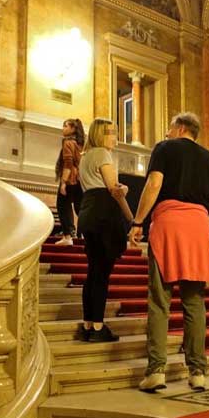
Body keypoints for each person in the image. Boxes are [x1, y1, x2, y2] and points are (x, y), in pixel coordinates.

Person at [129, 113, 209, 393]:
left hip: (169, 223)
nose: (168, 131)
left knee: (160, 301)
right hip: (198, 228)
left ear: (180, 128)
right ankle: (198, 372)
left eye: (170, 127)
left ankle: (156, 371)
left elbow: (154, 184)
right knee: (194, 303)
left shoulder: (164, 148)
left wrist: (138, 222)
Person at [76, 118, 133, 343]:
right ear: (100, 135)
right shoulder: (101, 154)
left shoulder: (85, 157)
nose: (115, 137)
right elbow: (113, 189)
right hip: (103, 213)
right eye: (111, 133)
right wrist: (126, 194)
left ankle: (88, 324)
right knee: (101, 273)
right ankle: (99, 327)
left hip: (88, 211)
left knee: (93, 272)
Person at [54, 119, 85, 246]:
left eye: (65, 126)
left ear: (73, 128)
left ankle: (67, 236)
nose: (63, 128)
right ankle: (83, 234)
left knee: (62, 205)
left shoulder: (68, 143)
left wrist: (63, 182)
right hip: (80, 180)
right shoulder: (81, 143)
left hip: (71, 179)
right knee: (80, 208)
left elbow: (68, 163)